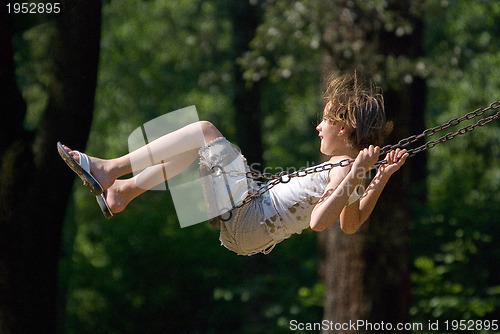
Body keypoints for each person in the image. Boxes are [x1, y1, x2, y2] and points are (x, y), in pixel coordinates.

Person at [57, 73, 408, 256]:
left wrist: (363, 175)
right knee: (199, 145)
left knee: (205, 131)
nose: (319, 126)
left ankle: (110, 169)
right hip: (248, 229)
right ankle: (123, 191)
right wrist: (381, 178)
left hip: (249, 215)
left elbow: (320, 222)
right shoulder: (352, 170)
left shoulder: (346, 167)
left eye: (326, 120)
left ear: (343, 128)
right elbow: (352, 222)